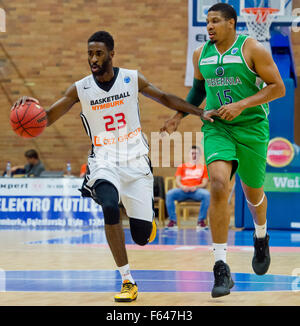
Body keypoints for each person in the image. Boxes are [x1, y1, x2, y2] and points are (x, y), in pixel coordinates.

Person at [11, 31, 217, 302]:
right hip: (104, 160)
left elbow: (166, 97)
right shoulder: (80, 88)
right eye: (89, 54)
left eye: (98, 53)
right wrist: (28, 111)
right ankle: (127, 279)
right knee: (109, 205)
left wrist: (198, 112)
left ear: (111, 53)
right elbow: (47, 117)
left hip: (136, 162)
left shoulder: (132, 78)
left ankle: (147, 220)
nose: (93, 59)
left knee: (142, 236)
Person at [161, 3, 286, 298]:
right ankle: (221, 266)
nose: (210, 27)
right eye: (207, 22)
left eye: (215, 21)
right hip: (217, 127)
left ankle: (260, 234)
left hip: (252, 127)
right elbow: (198, 91)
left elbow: (278, 87)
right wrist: (179, 116)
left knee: (253, 194)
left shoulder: (252, 48)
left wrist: (241, 104)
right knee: (217, 184)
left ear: (232, 23)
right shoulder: (200, 54)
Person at [166, 145, 210, 230]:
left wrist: (196, 186)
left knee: (207, 194)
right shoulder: (182, 166)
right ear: (189, 155)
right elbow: (178, 180)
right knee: (169, 194)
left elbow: (204, 183)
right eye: (192, 153)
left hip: (196, 191)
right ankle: (173, 221)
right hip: (183, 191)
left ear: (200, 156)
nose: (194, 155)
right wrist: (182, 186)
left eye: (196, 154)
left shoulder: (204, 168)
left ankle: (201, 222)